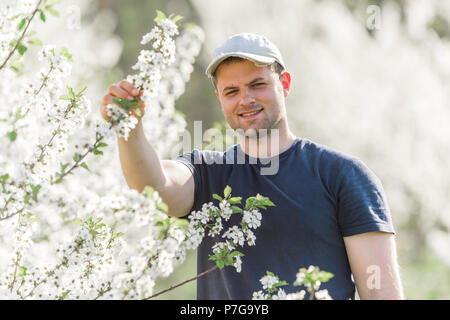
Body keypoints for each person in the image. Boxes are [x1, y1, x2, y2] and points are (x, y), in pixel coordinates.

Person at [101, 33, 404, 300]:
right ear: (219, 97)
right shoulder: (208, 173)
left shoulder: (343, 176)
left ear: (284, 84)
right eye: (231, 91)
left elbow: (381, 291)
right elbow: (154, 186)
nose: (245, 99)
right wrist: (130, 129)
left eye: (257, 85)